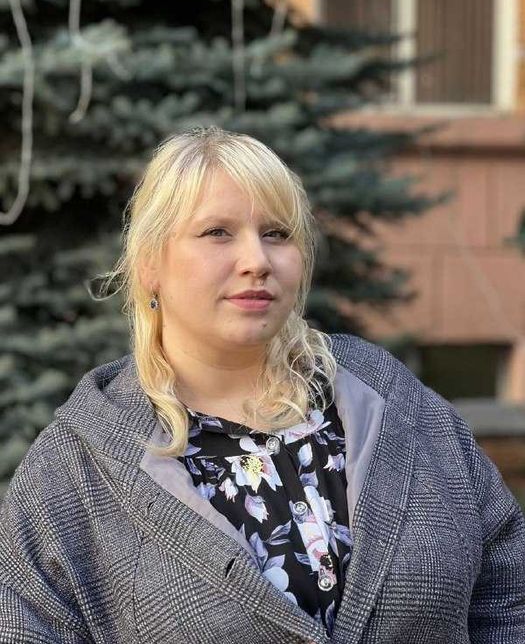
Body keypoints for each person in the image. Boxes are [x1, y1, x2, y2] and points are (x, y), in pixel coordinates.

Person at [0, 126, 524, 644]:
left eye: (276, 234)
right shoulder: (77, 467)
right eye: (217, 233)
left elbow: (508, 591)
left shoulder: (390, 402)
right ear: (149, 265)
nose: (257, 261)